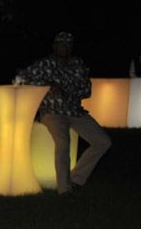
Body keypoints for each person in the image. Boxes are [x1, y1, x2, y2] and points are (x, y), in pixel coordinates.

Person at [17, 32, 112, 199]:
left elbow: (87, 90)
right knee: (63, 142)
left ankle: (76, 179)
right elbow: (20, 77)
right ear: (54, 46)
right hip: (52, 111)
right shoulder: (45, 64)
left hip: (75, 111)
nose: (65, 46)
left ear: (71, 47)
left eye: (68, 44)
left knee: (103, 141)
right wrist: (48, 84)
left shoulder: (78, 64)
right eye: (61, 43)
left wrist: (66, 91)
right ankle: (64, 189)